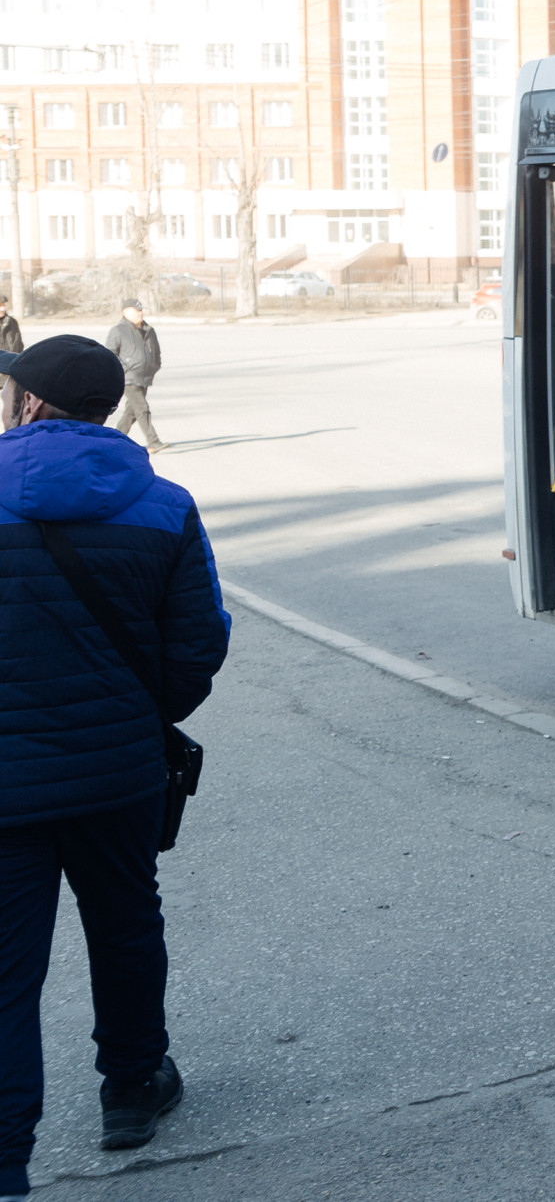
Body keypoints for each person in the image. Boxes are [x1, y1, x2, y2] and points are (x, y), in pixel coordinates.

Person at [0, 335, 230, 1196]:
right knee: (126, 924)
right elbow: (199, 641)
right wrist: (141, 715)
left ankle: (6, 1166)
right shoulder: (164, 505)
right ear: (106, 407)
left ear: (29, 404)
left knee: (6, 974)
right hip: (119, 771)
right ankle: (131, 1089)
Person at [103, 303, 163, 455]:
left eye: (141, 310)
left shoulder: (149, 330)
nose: (140, 313)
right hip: (128, 378)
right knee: (142, 408)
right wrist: (123, 370)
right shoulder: (118, 331)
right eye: (136, 311)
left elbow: (156, 352)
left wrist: (155, 365)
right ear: (125, 312)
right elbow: (110, 354)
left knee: (132, 411)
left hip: (145, 376)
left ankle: (115, 439)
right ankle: (153, 442)